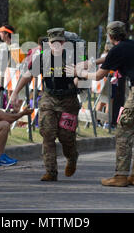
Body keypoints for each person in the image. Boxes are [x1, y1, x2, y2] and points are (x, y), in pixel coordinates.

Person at [67, 21, 134, 187]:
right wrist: (90, 63)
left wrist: (79, 72)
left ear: (110, 36)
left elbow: (98, 76)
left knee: (123, 130)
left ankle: (120, 176)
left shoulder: (117, 50)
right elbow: (108, 58)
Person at [10, 28, 81, 181]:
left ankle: (72, 157)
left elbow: (82, 75)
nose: (56, 45)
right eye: (53, 42)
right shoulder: (43, 58)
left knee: (66, 136)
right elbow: (28, 75)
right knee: (48, 134)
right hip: (49, 98)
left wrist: (78, 77)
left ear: (65, 42)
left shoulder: (72, 56)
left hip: (68, 100)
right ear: (48, 43)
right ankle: (51, 171)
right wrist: (15, 92)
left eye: (60, 42)